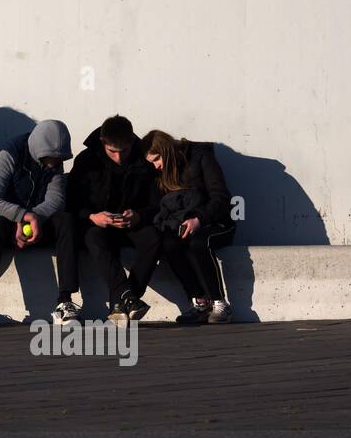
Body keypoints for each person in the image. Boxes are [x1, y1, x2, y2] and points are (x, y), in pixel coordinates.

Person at [0, 120, 77, 327]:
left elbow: (56, 200)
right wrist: (22, 216)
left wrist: (32, 217)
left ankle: (65, 301)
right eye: (48, 159)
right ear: (38, 150)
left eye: (58, 160)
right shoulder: (9, 154)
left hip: (34, 222)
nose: (52, 165)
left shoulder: (55, 160)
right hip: (5, 221)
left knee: (66, 220)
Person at [68, 115, 162, 320]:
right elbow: (71, 202)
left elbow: (157, 203)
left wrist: (138, 216)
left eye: (124, 151)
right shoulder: (86, 160)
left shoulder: (143, 160)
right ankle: (128, 298)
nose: (119, 158)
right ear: (102, 143)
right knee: (94, 238)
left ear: (131, 143)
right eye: (112, 151)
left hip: (133, 224)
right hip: (97, 224)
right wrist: (92, 216)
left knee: (153, 238)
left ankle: (124, 302)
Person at [143, 129, 237, 324]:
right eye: (151, 162)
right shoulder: (161, 175)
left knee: (199, 242)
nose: (156, 166)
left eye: (157, 159)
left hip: (217, 222)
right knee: (169, 243)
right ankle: (199, 302)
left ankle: (220, 303)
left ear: (166, 151)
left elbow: (220, 198)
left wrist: (199, 219)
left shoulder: (201, 157)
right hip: (184, 223)